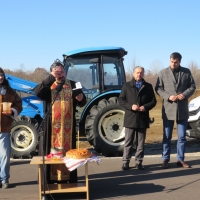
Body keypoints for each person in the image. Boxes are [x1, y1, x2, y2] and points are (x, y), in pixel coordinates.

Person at [34, 60, 86, 184]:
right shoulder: (48, 86)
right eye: (57, 72)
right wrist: (51, 78)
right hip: (52, 125)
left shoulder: (73, 84)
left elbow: (83, 101)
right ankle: (49, 181)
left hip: (68, 125)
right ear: (52, 73)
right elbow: (37, 92)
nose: (60, 74)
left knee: (69, 153)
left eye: (62, 71)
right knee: (51, 152)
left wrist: (81, 98)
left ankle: (69, 179)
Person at [155, 52, 196, 169]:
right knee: (167, 136)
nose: (173, 64)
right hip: (168, 109)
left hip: (182, 109)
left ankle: (180, 159)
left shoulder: (186, 72)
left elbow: (192, 86)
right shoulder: (162, 73)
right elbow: (158, 88)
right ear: (169, 60)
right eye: (172, 61)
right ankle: (165, 159)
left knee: (182, 137)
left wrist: (185, 94)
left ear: (179, 62)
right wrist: (168, 96)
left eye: (176, 62)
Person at [119, 66, 157, 170]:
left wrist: (145, 107)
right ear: (133, 74)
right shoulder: (126, 86)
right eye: (137, 72)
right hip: (130, 118)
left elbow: (153, 101)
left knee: (140, 143)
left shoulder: (148, 87)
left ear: (143, 74)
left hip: (142, 118)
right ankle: (125, 162)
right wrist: (131, 106)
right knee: (128, 142)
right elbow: (121, 100)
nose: (139, 74)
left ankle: (139, 162)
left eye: (141, 73)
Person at [0, 68, 22, 189]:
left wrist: (12, 111)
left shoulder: (9, 91)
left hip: (4, 127)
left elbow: (18, 103)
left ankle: (4, 179)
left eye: (1, 75)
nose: (0, 78)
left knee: (4, 155)